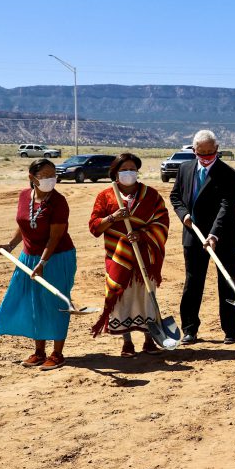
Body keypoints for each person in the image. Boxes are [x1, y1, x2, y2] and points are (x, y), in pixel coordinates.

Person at [0, 159, 77, 370]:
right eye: (45, 175)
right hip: (28, 257)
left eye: (53, 174)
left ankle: (57, 353)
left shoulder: (59, 201)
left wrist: (43, 262)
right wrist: (11, 245)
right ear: (32, 178)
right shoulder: (24, 196)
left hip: (56, 257)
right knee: (33, 304)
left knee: (54, 303)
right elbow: (24, 225)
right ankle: (39, 351)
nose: (51, 179)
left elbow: (55, 237)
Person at [89, 153, 170, 357]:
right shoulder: (106, 196)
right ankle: (127, 342)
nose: (129, 173)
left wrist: (142, 234)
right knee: (122, 296)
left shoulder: (151, 195)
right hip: (117, 257)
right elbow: (94, 227)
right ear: (115, 172)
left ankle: (149, 339)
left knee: (146, 296)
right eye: (124, 169)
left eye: (132, 169)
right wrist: (113, 217)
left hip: (145, 256)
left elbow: (162, 221)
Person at [170, 129, 235, 344]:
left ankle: (230, 330)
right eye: (202, 153)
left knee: (226, 282)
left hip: (223, 236)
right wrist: (184, 216)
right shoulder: (185, 169)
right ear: (194, 150)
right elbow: (175, 196)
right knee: (193, 282)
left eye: (211, 152)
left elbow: (227, 206)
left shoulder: (229, 174)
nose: (207, 156)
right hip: (193, 235)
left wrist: (214, 234)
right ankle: (190, 329)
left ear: (217, 150)